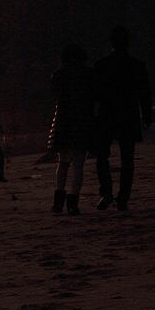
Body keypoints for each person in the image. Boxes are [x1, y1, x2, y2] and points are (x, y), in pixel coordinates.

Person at [93, 25, 153, 211]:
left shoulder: (101, 65)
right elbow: (145, 93)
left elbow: (94, 93)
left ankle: (106, 193)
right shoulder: (137, 65)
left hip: (107, 114)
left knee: (102, 156)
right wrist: (147, 115)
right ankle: (123, 197)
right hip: (129, 113)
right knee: (128, 159)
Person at [48, 44, 94, 215]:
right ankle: (73, 201)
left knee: (63, 163)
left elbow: (54, 96)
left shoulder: (59, 75)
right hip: (82, 121)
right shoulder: (88, 74)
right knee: (78, 165)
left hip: (63, 122)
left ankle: (58, 201)